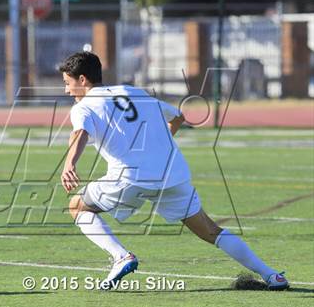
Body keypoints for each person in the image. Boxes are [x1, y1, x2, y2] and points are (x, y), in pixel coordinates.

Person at [58, 51, 289, 291]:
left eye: (67, 83)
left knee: (76, 206)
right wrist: (156, 145)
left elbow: (79, 133)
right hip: (171, 174)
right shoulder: (133, 92)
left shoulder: (84, 106)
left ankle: (122, 257)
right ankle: (271, 275)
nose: (66, 91)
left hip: (130, 177)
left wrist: (69, 164)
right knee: (210, 231)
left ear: (83, 79)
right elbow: (178, 116)